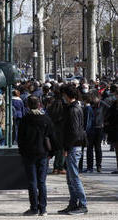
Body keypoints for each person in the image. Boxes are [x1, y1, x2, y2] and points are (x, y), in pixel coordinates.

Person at [18, 96, 57, 216]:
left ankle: (34, 207)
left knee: (32, 182)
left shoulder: (25, 119)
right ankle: (43, 208)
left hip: (29, 154)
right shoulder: (46, 119)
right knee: (42, 182)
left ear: (28, 105)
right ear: (39, 104)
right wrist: (51, 153)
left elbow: (20, 138)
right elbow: (52, 137)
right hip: (43, 153)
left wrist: (22, 152)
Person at [58, 84, 88, 215]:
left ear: (67, 95)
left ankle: (82, 204)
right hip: (74, 146)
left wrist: (67, 147)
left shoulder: (73, 110)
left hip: (73, 146)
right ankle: (73, 203)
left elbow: (74, 132)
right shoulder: (74, 108)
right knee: (70, 178)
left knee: (74, 177)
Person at [85, 94, 109, 173]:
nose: (93, 100)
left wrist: (105, 121)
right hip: (90, 129)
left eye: (94, 98)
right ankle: (89, 167)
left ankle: (99, 166)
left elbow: (109, 112)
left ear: (98, 98)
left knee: (98, 148)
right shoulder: (90, 105)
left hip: (99, 128)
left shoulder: (103, 105)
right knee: (89, 148)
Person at [46, 89, 66, 174]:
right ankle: (59, 167)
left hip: (54, 128)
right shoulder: (63, 105)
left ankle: (56, 167)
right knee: (61, 149)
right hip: (61, 129)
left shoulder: (52, 105)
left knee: (57, 148)